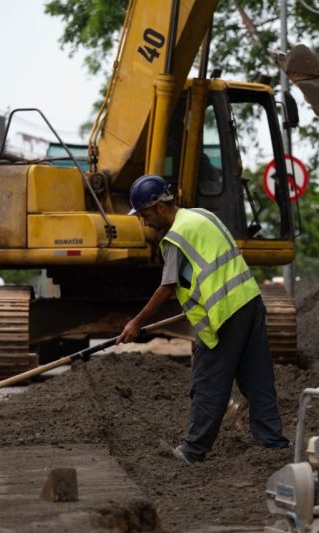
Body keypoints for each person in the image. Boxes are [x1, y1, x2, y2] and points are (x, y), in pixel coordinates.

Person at [117, 174, 290, 465]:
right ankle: (272, 442)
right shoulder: (202, 216)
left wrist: (136, 322)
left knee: (209, 380)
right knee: (257, 377)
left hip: (223, 313)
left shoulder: (175, 237)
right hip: (249, 300)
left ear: (160, 207)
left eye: (145, 215)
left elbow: (167, 287)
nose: (145, 222)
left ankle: (193, 451)